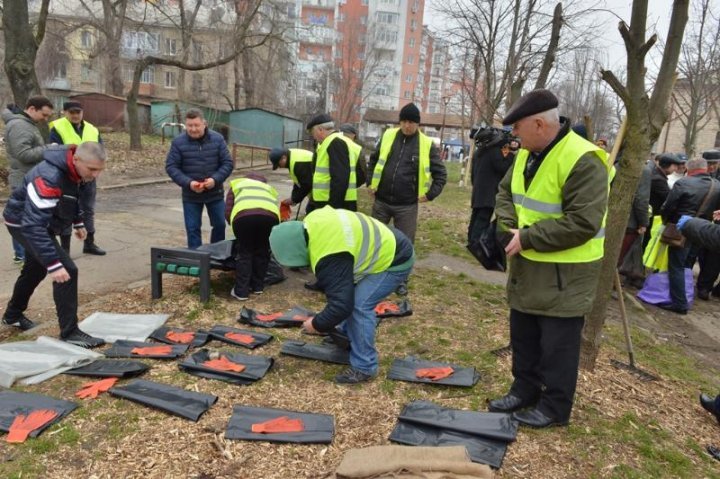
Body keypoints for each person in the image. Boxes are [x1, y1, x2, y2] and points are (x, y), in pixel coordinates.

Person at [492, 89, 609, 428]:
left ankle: (555, 407)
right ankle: (524, 389)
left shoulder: (584, 159)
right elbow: (505, 193)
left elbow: (583, 222)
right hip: (528, 266)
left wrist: (525, 237)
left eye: (518, 128)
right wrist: (508, 225)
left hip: (565, 274)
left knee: (558, 346)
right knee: (524, 333)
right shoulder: (526, 154)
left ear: (540, 124)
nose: (514, 135)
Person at [269, 206, 414, 384]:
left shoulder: (328, 254)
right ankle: (345, 339)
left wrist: (317, 324)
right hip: (384, 245)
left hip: (395, 261)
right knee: (350, 299)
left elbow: (341, 305)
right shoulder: (313, 221)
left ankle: (364, 367)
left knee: (359, 306)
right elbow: (336, 291)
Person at [2, 142, 107, 348]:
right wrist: (53, 263)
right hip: (24, 223)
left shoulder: (74, 170)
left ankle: (12, 315)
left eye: (99, 170)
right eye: (92, 169)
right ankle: (70, 332)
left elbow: (70, 196)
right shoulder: (50, 176)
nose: (95, 175)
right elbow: (33, 226)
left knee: (34, 269)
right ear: (76, 159)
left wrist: (78, 221)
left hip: (41, 221)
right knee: (67, 270)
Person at [166, 109, 233, 249]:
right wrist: (189, 183)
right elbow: (172, 167)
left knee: (220, 224)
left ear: (204, 124)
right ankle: (197, 258)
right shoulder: (178, 142)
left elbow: (227, 163)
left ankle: (217, 254)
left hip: (214, 192)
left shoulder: (218, 139)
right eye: (189, 125)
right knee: (192, 228)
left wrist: (215, 180)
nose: (193, 129)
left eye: (196, 125)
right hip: (191, 194)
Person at [660, 158, 720, 314]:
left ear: (689, 169)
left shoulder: (683, 183)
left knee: (676, 265)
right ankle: (685, 295)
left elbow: (668, 207)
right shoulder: (717, 185)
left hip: (681, 229)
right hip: (703, 232)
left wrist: (666, 222)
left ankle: (680, 303)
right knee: (687, 264)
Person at [48, 101, 106, 256]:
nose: (75, 115)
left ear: (82, 112)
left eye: (78, 112)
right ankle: (65, 250)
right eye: (71, 112)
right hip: (68, 177)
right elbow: (55, 151)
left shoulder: (92, 129)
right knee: (66, 210)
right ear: (65, 112)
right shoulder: (57, 128)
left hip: (88, 176)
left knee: (88, 209)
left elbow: (99, 149)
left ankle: (89, 243)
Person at [2, 96, 54, 264]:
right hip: (23, 179)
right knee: (22, 219)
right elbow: (23, 154)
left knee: (25, 217)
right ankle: (22, 255)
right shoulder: (20, 126)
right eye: (44, 115)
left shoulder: (26, 124)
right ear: (32, 109)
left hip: (27, 177)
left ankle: (24, 255)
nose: (45, 119)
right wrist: (48, 149)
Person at [224, 172, 280, 301]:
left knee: (245, 252)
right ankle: (258, 286)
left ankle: (241, 292)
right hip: (269, 218)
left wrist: (234, 224)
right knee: (262, 250)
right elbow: (273, 206)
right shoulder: (267, 187)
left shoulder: (238, 184)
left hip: (244, 217)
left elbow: (228, 210)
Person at [468, 129, 513, 246]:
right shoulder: (494, 151)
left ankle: (471, 240)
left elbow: (472, 173)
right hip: (489, 193)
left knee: (476, 216)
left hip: (478, 191)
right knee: (483, 219)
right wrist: (510, 155)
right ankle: (476, 243)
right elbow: (503, 167)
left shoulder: (479, 151)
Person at [306, 113, 359, 212]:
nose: (313, 136)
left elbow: (340, 178)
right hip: (327, 201)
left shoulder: (335, 143)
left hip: (335, 203)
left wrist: (332, 208)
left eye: (313, 132)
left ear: (320, 130)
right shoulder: (328, 142)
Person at [696, 151, 720, 300]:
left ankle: (705, 287)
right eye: (709, 163)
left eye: (714, 163)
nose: (712, 166)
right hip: (703, 218)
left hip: (716, 221)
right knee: (703, 253)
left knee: (713, 256)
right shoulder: (699, 175)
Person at [269, 147, 314, 211]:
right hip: (317, 190)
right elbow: (298, 182)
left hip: (323, 191)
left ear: (283, 158)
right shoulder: (291, 157)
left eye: (278, 164)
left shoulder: (297, 163)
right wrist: (293, 198)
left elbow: (306, 185)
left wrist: (294, 199)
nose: (279, 167)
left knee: (311, 211)